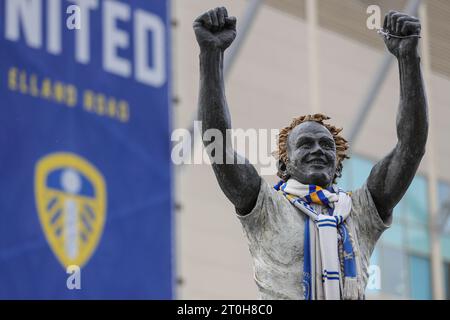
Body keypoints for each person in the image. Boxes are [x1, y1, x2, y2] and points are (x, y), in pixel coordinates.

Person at [193, 7, 428, 300]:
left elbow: (411, 146)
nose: (318, 149)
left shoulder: (360, 211)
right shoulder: (265, 207)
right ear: (284, 163)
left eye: (327, 146)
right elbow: (218, 146)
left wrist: (407, 58)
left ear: (337, 164)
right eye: (305, 144)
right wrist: (211, 55)